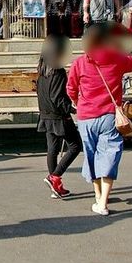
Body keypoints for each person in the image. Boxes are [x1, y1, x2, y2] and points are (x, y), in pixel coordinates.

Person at [66, 22, 132, 216]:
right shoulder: (117, 59)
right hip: (110, 115)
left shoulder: (80, 62)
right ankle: (103, 202)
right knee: (110, 154)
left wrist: (78, 102)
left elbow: (71, 88)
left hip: (86, 116)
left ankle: (97, 194)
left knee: (91, 155)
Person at [36, 34, 81, 199]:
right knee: (75, 146)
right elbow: (57, 98)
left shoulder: (42, 69)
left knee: (52, 150)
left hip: (46, 115)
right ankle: (54, 177)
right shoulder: (58, 71)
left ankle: (55, 185)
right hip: (59, 116)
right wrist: (72, 109)